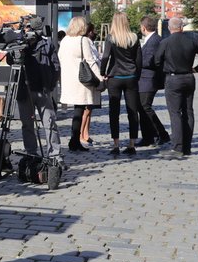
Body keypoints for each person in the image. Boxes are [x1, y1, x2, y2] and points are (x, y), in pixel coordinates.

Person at [153, 16, 198, 158]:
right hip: (189, 77)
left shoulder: (166, 42)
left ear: (169, 28)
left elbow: (156, 61)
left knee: (175, 113)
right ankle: (187, 146)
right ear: (182, 27)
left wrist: (165, 69)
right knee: (188, 111)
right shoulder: (192, 40)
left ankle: (177, 148)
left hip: (173, 78)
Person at [14, 17, 62, 182]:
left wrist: (50, 85)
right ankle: (31, 153)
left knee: (50, 123)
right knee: (27, 124)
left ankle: (55, 154)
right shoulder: (20, 43)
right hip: (23, 90)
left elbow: (56, 66)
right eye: (28, 28)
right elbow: (9, 60)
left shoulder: (46, 43)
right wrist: (18, 47)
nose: (30, 31)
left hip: (42, 89)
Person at [100, 12, 143, 156]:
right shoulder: (134, 37)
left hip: (115, 77)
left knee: (114, 112)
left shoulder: (111, 38)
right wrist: (137, 74)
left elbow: (106, 56)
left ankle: (116, 144)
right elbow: (139, 60)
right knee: (132, 111)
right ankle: (132, 144)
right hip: (131, 76)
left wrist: (102, 72)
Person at [58, 16, 102, 152]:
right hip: (82, 80)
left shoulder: (65, 40)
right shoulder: (83, 40)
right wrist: (101, 78)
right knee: (80, 109)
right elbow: (91, 61)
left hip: (69, 79)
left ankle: (75, 139)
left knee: (78, 110)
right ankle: (74, 140)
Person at [137, 16, 170, 147]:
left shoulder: (154, 40)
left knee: (145, 107)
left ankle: (161, 133)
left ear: (143, 27)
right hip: (146, 78)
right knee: (142, 107)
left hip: (149, 79)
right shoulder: (153, 39)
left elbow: (149, 61)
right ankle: (149, 136)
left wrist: (135, 61)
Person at [79, 22, 101, 148]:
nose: (95, 33)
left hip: (93, 78)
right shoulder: (85, 41)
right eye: (93, 30)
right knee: (86, 108)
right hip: (89, 77)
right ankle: (81, 134)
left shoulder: (90, 42)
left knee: (90, 108)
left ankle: (86, 133)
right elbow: (91, 59)